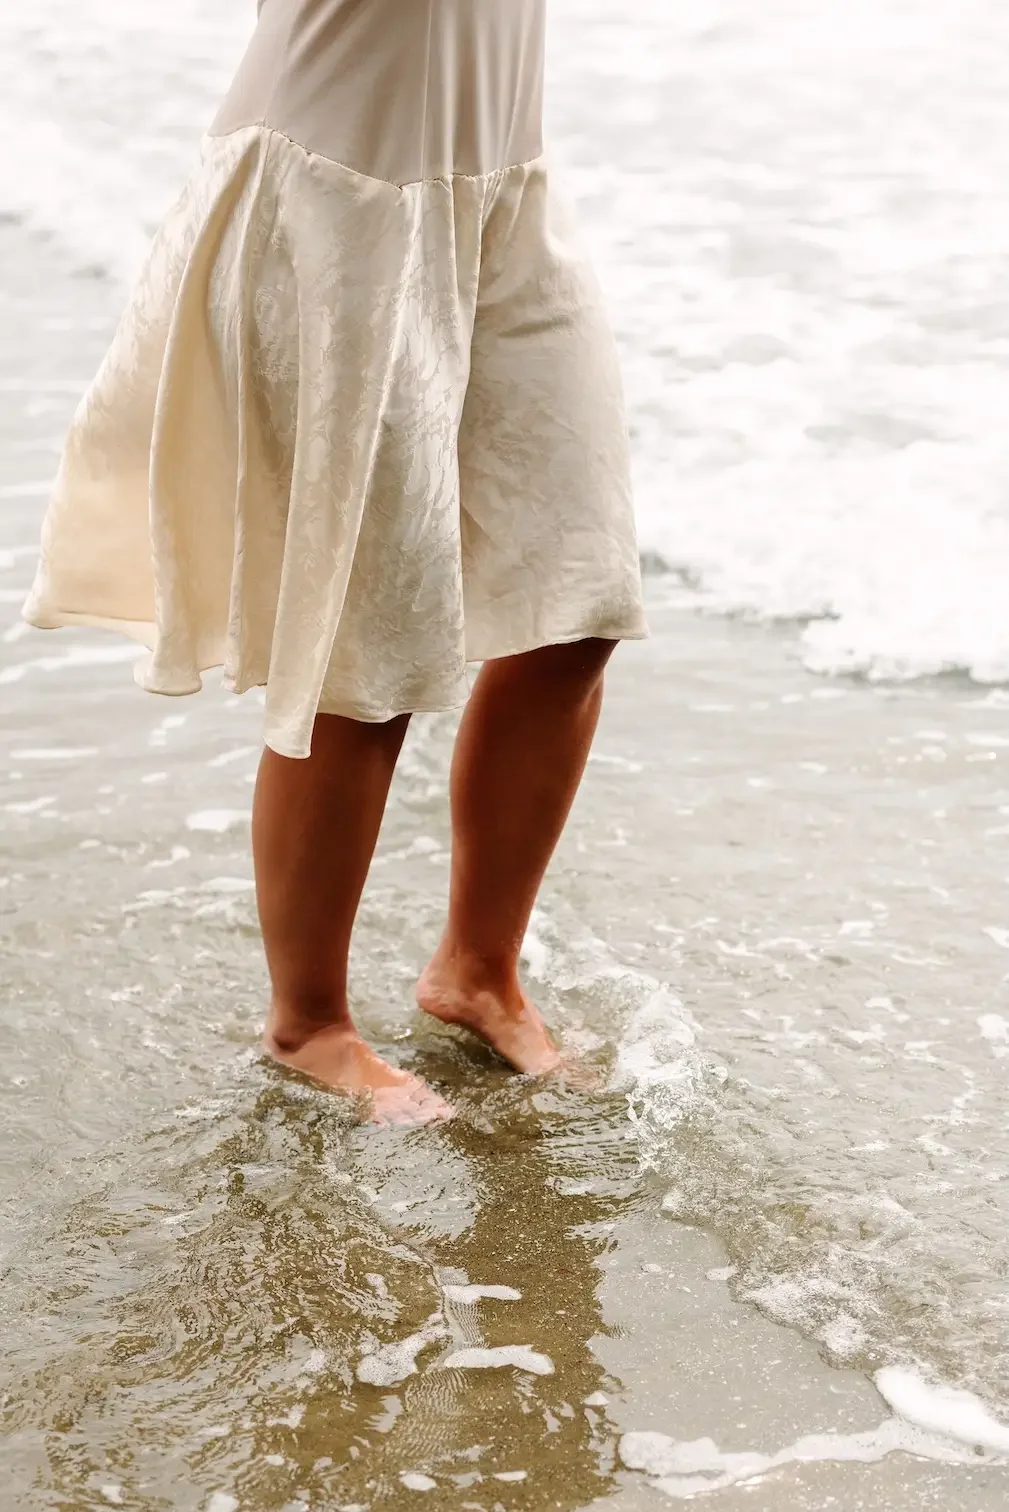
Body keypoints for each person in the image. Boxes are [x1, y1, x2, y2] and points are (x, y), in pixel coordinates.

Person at [23, 0, 647, 1122]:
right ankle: (308, 1022)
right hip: (336, 209)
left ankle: (476, 972)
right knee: (367, 645)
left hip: (505, 195)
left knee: (574, 604)